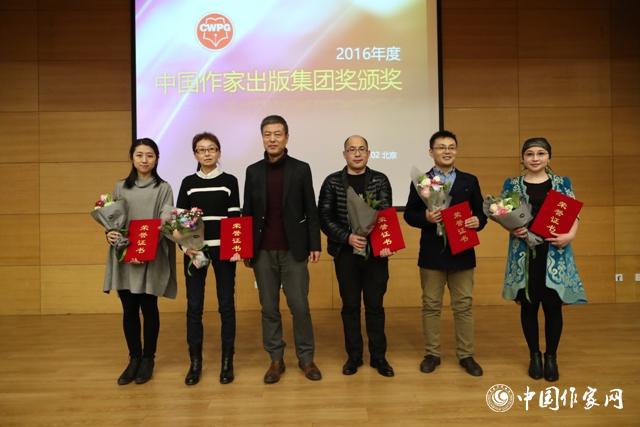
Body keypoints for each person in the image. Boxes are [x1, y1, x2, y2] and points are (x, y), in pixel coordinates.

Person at [243, 115, 322, 383]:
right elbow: (247, 211)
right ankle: (276, 359)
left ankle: (306, 358)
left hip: (294, 249)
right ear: (262, 138)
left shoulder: (301, 169)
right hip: (263, 251)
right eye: (267, 134)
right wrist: (246, 248)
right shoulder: (253, 171)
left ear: (287, 137)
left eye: (278, 134)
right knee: (269, 307)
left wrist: (314, 243)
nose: (272, 139)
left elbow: (311, 209)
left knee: (299, 306)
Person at [501, 137, 586, 382]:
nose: (535, 158)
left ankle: (551, 357)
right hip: (524, 253)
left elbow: (574, 213)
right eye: (530, 154)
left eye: (541, 153)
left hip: (554, 252)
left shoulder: (561, 183)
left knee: (552, 307)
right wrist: (512, 228)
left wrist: (570, 235)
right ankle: (534, 356)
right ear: (523, 158)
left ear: (549, 157)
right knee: (528, 306)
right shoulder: (512, 184)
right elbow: (504, 215)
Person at [403, 130, 487, 377]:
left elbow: (481, 213)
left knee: (464, 305)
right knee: (431, 305)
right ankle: (432, 354)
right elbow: (409, 214)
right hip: (432, 253)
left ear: (456, 150)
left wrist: (478, 221)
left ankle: (466, 355)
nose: (447, 151)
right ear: (431, 152)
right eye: (441, 147)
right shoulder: (423, 182)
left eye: (451, 147)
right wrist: (426, 217)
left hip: (463, 251)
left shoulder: (469, 180)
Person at [318, 135, 395, 377]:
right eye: (352, 150)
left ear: (369, 153)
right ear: (345, 154)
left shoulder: (380, 180)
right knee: (350, 306)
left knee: (375, 306)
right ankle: (354, 356)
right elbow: (325, 217)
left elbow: (385, 213)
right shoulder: (332, 182)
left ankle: (379, 357)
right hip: (346, 253)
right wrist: (347, 237)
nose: (357, 153)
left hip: (375, 254)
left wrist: (382, 242)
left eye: (362, 149)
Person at [104, 138, 177, 385]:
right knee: (129, 308)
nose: (144, 160)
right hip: (125, 255)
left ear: (156, 159)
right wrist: (109, 233)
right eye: (139, 155)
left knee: (149, 307)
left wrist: (159, 233)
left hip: (150, 255)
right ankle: (133, 358)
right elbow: (113, 220)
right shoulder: (120, 187)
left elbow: (166, 220)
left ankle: (148, 359)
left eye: (150, 155)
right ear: (132, 158)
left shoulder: (163, 188)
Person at [176, 132, 241, 385]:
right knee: (194, 307)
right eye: (201, 150)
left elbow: (234, 217)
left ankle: (227, 362)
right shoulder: (188, 182)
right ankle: (195, 364)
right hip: (196, 251)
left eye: (211, 149)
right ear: (195, 154)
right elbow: (180, 221)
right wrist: (185, 248)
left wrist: (236, 248)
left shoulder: (230, 181)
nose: (207, 153)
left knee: (226, 305)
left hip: (224, 250)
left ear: (219, 152)